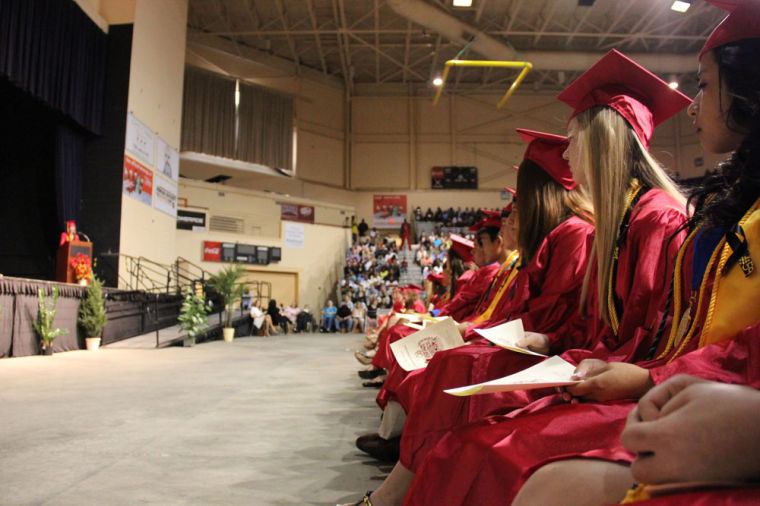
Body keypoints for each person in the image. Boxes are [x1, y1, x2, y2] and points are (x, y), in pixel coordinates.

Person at [406, 16, 760, 505]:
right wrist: (558, 342)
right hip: (659, 375)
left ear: (601, 142)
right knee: (471, 397)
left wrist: (634, 372)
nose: (569, 159)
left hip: (676, 384)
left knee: (494, 435)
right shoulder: (634, 221)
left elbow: (652, 335)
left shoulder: (654, 220)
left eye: (574, 142)